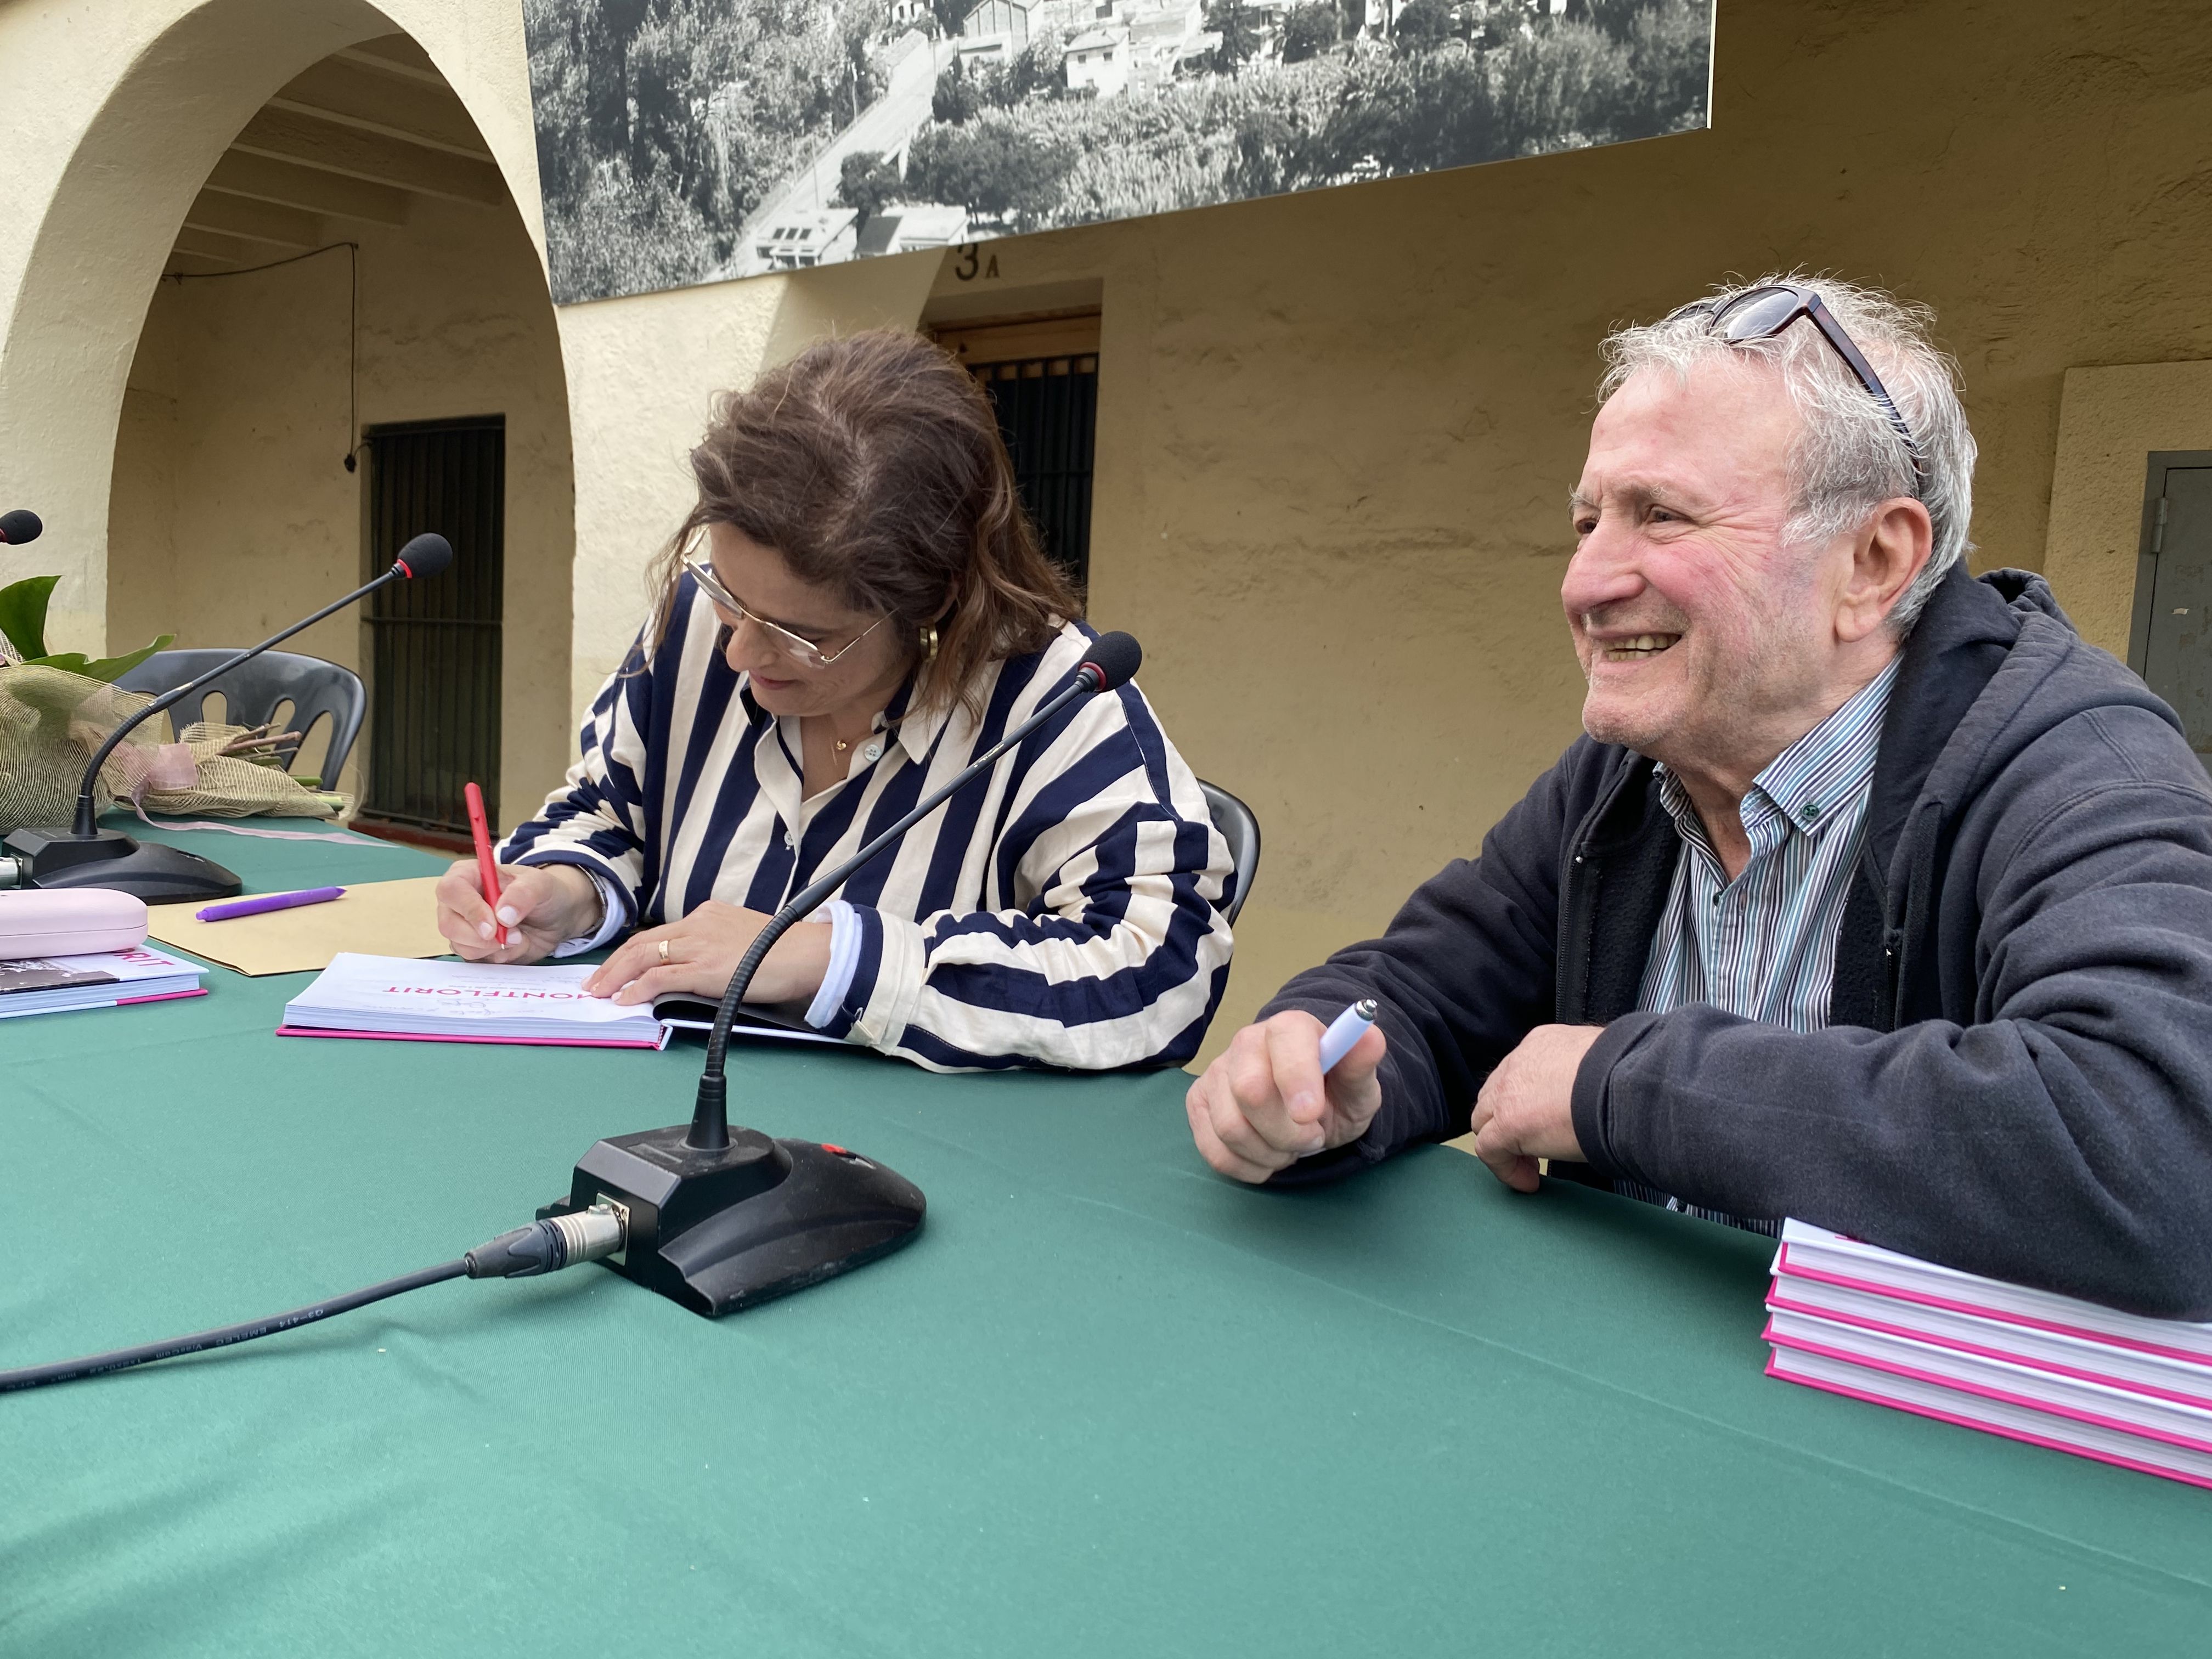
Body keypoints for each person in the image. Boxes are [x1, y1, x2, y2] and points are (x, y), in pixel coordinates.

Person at [1186, 275, 2212, 1318]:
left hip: (1923, 1453)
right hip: (1632, 1393)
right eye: (1588, 523)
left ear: (1874, 562)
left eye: (1661, 517)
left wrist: (1624, 1088)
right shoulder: (1632, 771)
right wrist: (1318, 1071)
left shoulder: (2075, 765)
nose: (1584, 584)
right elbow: (1429, 992)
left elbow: (2157, 1148)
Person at [435, 330, 1234, 1071]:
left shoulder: (1056, 698)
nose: (740, 652)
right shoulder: (695, 625)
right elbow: (609, 810)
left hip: (923, 1168)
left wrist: (834, 958)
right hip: (658, 1112)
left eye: (801, 634)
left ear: (936, 604)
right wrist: (567, 893)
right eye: (726, 593)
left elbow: (1163, 966)